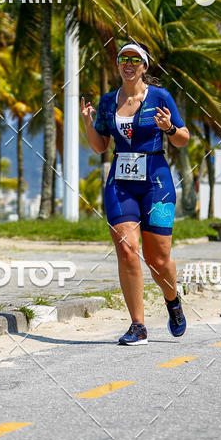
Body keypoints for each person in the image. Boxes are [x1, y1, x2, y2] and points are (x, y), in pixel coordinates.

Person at [81, 42, 190, 345]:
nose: (127, 64)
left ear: (144, 66)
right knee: (127, 249)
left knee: (158, 258)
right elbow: (100, 146)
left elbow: (183, 139)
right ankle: (138, 325)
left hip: (156, 182)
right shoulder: (107, 102)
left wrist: (169, 128)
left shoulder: (160, 96)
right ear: (118, 65)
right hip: (120, 182)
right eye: (122, 59)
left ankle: (172, 300)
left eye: (134, 60)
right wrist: (88, 123)